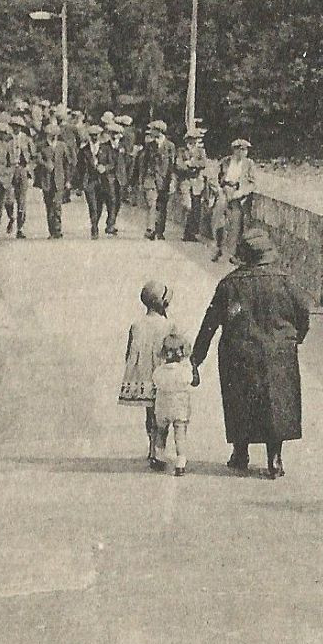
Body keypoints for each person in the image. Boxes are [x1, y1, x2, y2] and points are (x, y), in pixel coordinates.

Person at [191, 229, 311, 480]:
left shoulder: (229, 284)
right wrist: (294, 338)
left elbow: (210, 324)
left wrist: (196, 359)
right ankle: (274, 458)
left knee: (240, 400)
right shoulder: (286, 280)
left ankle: (240, 452)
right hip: (278, 352)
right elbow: (303, 313)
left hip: (239, 351)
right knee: (275, 401)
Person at [121, 281, 176, 470]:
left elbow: (129, 353)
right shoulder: (168, 325)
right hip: (162, 376)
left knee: (150, 413)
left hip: (144, 376)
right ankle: (159, 450)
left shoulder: (136, 324)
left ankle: (152, 447)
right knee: (162, 414)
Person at [151, 333, 199, 476]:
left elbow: (155, 382)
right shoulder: (184, 372)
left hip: (163, 406)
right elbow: (194, 382)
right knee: (180, 435)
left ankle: (159, 457)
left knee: (161, 431)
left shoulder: (159, 371)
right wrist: (194, 366)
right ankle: (180, 462)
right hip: (180, 407)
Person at [214, 139, 258, 263]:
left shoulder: (249, 164)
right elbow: (215, 178)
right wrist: (218, 189)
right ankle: (219, 248)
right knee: (219, 220)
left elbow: (253, 183)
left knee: (236, 222)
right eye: (241, 150)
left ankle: (232, 253)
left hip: (238, 195)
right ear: (235, 150)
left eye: (245, 150)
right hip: (224, 192)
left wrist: (241, 192)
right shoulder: (226, 161)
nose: (244, 152)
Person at [138, 120, 176, 240]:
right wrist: (141, 180)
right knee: (151, 203)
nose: (151, 132)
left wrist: (173, 181)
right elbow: (143, 163)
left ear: (159, 131)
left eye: (153, 129)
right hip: (151, 178)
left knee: (162, 206)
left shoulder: (170, 146)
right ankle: (150, 229)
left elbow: (172, 165)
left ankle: (160, 231)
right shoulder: (149, 146)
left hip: (164, 179)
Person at [176, 127, 214, 242]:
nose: (192, 142)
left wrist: (191, 163)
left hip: (197, 183)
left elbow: (203, 163)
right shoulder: (181, 151)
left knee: (196, 208)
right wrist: (187, 167)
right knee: (188, 206)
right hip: (186, 181)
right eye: (190, 140)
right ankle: (187, 232)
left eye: (194, 140)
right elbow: (178, 165)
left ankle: (191, 233)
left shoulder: (200, 151)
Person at [35, 123, 73, 239]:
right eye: (50, 135)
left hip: (59, 179)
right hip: (46, 180)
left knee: (57, 205)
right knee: (49, 206)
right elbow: (38, 159)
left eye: (54, 135)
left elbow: (67, 164)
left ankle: (57, 229)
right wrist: (46, 164)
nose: (53, 137)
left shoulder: (62, 146)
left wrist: (68, 180)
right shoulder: (42, 146)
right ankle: (51, 231)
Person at [77, 124, 111, 239]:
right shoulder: (84, 150)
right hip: (89, 181)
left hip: (102, 181)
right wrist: (79, 185)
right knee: (92, 205)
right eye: (92, 135)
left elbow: (112, 163)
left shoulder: (106, 149)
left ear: (100, 135)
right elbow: (79, 167)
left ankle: (96, 222)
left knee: (100, 205)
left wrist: (105, 168)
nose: (94, 137)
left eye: (96, 135)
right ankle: (94, 227)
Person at [9, 117, 35, 240]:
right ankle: (11, 217)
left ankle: (20, 228)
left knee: (22, 200)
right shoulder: (8, 138)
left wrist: (29, 168)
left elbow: (34, 155)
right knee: (8, 199)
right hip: (9, 170)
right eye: (14, 125)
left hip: (22, 170)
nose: (16, 128)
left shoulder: (26, 139)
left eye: (18, 126)